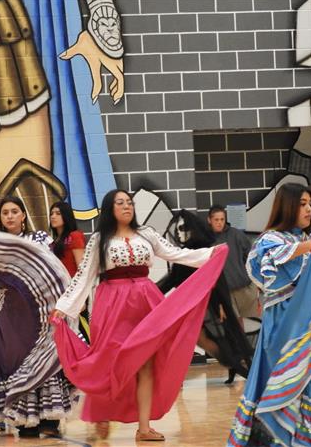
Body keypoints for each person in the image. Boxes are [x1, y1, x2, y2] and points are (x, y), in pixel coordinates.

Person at [51, 189, 228, 442]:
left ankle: (144, 427)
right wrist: (64, 306)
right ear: (109, 209)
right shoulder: (100, 239)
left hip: (145, 302)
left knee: (145, 363)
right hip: (113, 304)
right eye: (120, 203)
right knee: (111, 360)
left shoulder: (146, 234)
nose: (126, 206)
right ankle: (101, 410)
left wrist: (210, 254)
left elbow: (176, 254)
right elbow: (84, 276)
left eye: (129, 203)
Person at [227, 183, 311, 447]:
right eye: (302, 204)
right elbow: (267, 265)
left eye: (310, 204)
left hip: (310, 332)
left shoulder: (310, 241)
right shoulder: (271, 240)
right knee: (283, 386)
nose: (309, 209)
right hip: (282, 331)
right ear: (288, 206)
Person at [0, 196, 71, 437]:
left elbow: (54, 270)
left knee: (42, 361)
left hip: (41, 313)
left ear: (23, 215)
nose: (9, 216)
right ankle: (23, 420)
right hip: (10, 315)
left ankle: (49, 421)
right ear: (0, 219)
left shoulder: (40, 239)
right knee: (16, 364)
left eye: (14, 211)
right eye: (5, 213)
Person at [159, 209, 254, 384]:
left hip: (205, 304)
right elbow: (175, 279)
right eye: (178, 229)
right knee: (207, 339)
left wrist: (219, 305)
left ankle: (237, 366)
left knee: (208, 339)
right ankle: (236, 366)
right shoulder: (193, 251)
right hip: (199, 304)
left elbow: (215, 280)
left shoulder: (200, 251)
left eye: (183, 229)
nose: (179, 233)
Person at [207, 205, 259, 321]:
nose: (219, 223)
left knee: (253, 323)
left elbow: (251, 257)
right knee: (233, 324)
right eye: (216, 220)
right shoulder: (206, 240)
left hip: (245, 288)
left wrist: (254, 281)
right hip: (226, 292)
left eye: (222, 219)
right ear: (209, 220)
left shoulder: (236, 235)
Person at [49, 201, 89, 339]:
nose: (53, 216)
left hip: (74, 293)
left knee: (81, 334)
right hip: (59, 296)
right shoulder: (53, 243)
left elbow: (82, 269)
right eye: (52, 213)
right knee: (64, 336)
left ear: (66, 216)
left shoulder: (74, 236)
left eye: (58, 213)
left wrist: (80, 297)